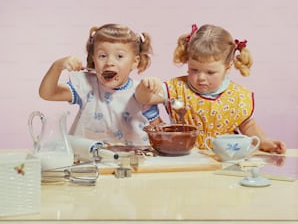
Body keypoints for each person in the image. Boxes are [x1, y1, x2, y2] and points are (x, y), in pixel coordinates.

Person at [135, 24, 286, 154]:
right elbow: (144, 99)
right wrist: (145, 86)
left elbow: (248, 125)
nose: (201, 77)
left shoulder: (238, 96)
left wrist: (265, 142)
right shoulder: (177, 88)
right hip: (186, 157)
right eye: (194, 69)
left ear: (228, 68)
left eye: (210, 72)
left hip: (225, 160)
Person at [39, 23, 161, 146]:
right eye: (102, 56)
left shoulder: (142, 91)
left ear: (135, 62)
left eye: (119, 56)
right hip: (89, 160)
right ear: (93, 59)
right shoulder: (87, 86)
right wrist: (57, 67)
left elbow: (160, 130)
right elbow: (47, 94)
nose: (109, 62)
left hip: (132, 161)